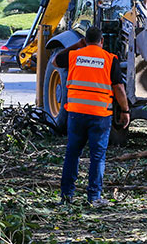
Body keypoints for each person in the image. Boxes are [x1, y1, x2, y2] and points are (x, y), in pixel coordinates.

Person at [53, 26, 130, 206]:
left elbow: (56, 62)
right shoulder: (109, 59)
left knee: (72, 153)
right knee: (97, 156)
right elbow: (118, 88)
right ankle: (94, 197)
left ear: (85, 40)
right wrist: (125, 110)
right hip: (99, 115)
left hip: (76, 114)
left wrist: (75, 46)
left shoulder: (74, 56)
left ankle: (66, 196)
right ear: (102, 41)